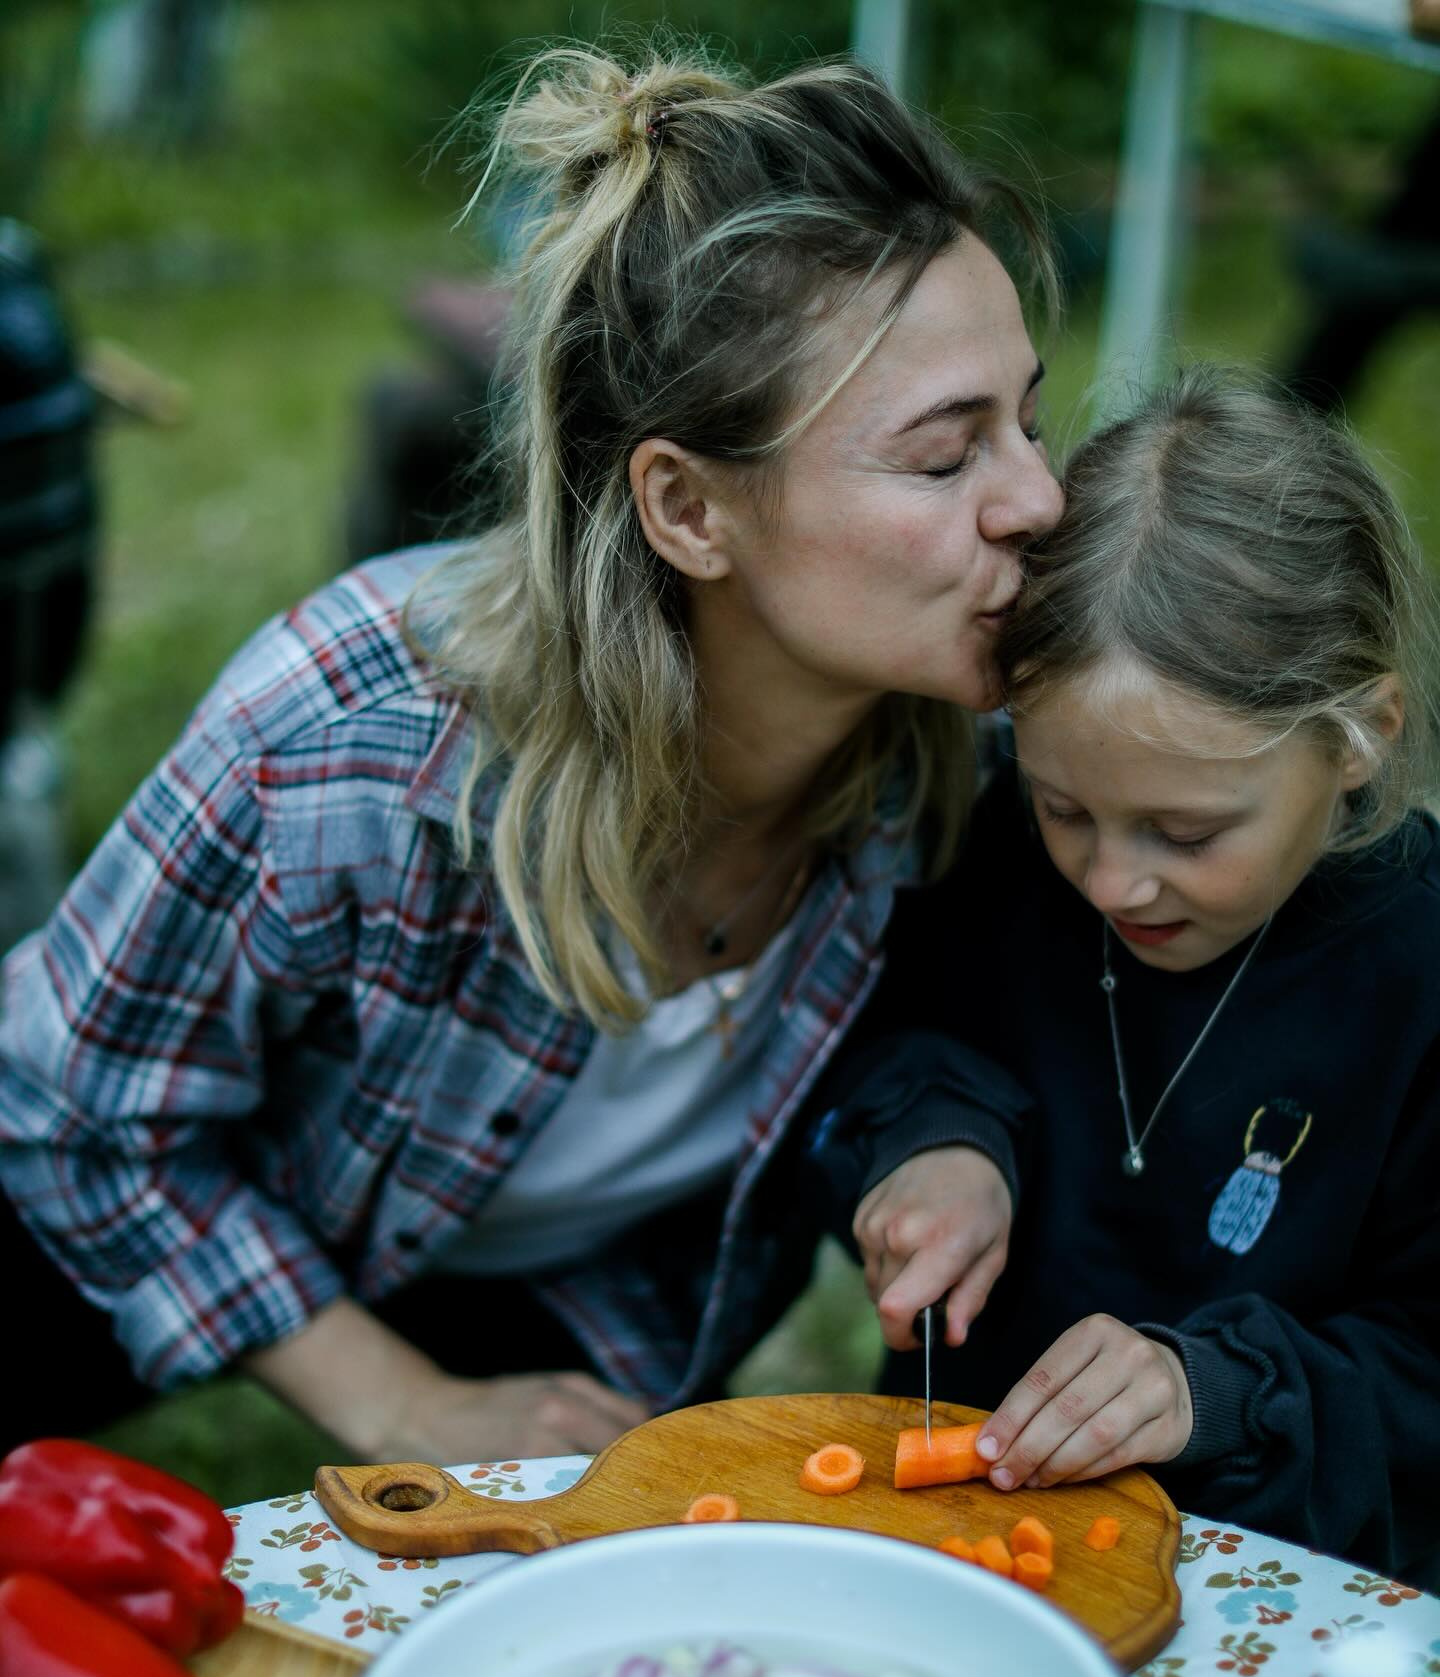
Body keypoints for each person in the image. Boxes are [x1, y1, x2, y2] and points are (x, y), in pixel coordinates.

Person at [0, 42, 1063, 1465]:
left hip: (532, 1289)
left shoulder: (981, 761)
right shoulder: (346, 740)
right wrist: (393, 1403)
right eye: (946, 459)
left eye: (1031, 420)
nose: (1041, 500)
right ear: (689, 511)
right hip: (105, 1194)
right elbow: (71, 1116)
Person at [811, 366, 1440, 1585]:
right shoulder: (996, 851)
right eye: (1066, 807)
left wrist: (1210, 1391)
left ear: (1364, 733)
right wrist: (937, 1142)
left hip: (1275, 1580)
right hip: (963, 1537)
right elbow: (893, 1033)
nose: (1111, 884)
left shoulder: (1417, 975)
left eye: (1190, 835)